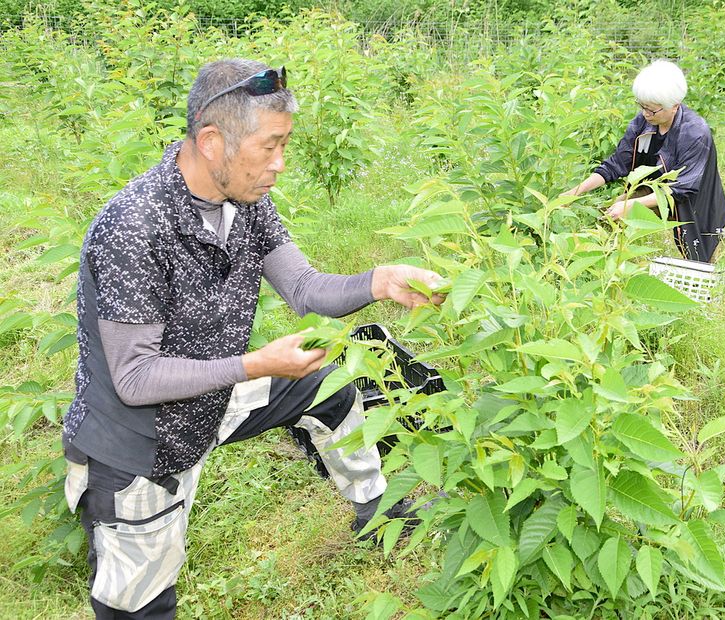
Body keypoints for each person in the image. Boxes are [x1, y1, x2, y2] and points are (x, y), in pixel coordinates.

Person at [60, 58, 445, 618]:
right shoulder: (135, 226)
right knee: (141, 604)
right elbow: (135, 377)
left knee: (329, 385)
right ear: (212, 141)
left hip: (212, 397)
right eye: (270, 146)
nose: (280, 164)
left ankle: (377, 508)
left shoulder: (245, 204)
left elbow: (307, 289)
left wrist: (382, 280)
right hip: (143, 440)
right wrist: (256, 364)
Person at [563, 60, 725, 263]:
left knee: (699, 260)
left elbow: (681, 189)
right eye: (642, 106)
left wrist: (633, 204)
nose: (645, 114)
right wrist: (575, 191)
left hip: (694, 202)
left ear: (674, 106)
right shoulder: (643, 123)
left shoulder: (695, 133)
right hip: (654, 189)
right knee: (610, 215)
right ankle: (603, 267)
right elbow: (616, 164)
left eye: (652, 110)